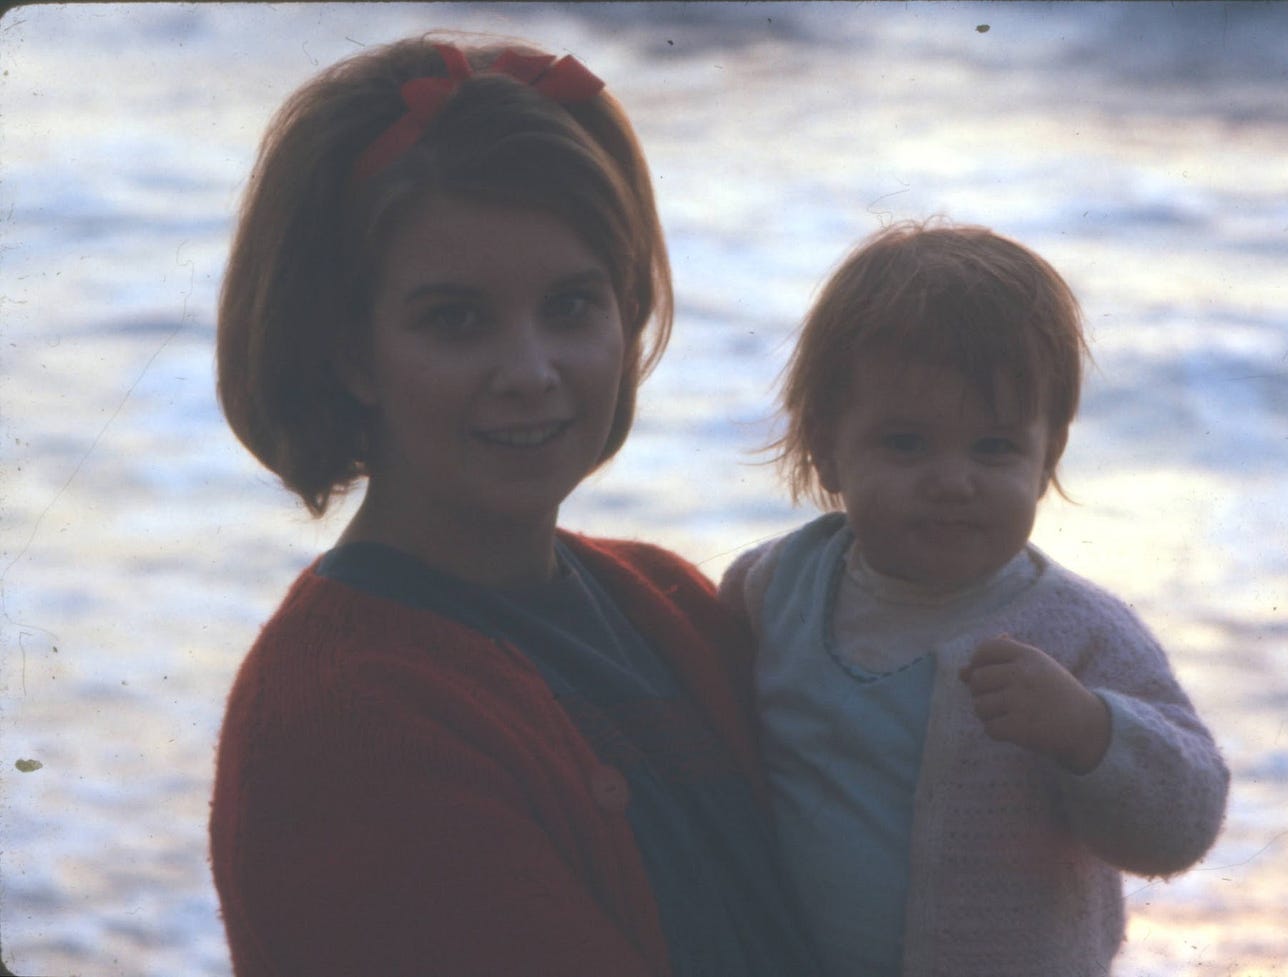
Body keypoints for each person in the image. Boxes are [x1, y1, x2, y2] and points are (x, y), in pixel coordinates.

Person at [210, 34, 823, 977]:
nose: (531, 372)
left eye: (573, 305)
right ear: (346, 349)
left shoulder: (665, 602)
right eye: (456, 318)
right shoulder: (343, 714)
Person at [721, 220, 1230, 977]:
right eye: (906, 442)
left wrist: (1091, 732)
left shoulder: (1075, 632)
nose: (952, 479)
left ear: (1046, 454)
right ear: (827, 445)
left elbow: (1186, 818)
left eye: (993, 448)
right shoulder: (772, 589)